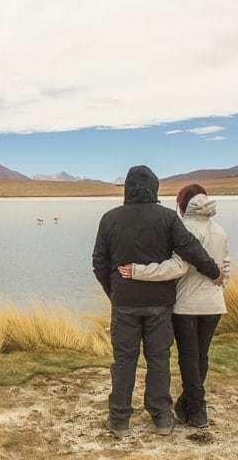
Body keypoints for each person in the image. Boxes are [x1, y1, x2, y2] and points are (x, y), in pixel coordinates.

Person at [92, 166, 224, 438]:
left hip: (125, 303)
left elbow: (99, 263)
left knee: (124, 361)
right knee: (159, 360)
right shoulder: (167, 218)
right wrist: (214, 272)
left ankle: (119, 422)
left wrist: (114, 292)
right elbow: (190, 249)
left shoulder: (109, 219)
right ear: (154, 188)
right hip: (160, 304)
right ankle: (162, 418)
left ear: (127, 189)